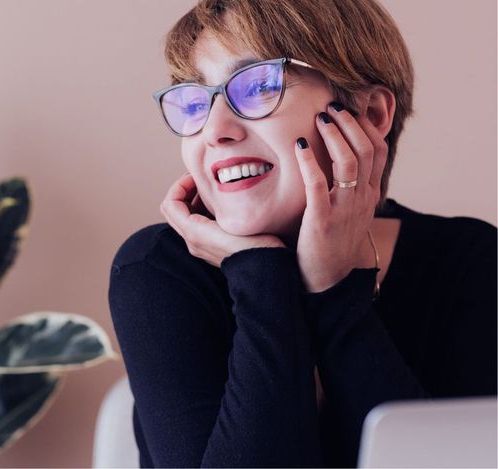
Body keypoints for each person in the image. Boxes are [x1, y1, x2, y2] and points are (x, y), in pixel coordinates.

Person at [108, 0, 497, 466]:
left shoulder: (471, 262)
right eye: (194, 102)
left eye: (257, 86)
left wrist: (334, 291)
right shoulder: (158, 271)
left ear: (371, 114)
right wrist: (259, 274)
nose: (215, 131)